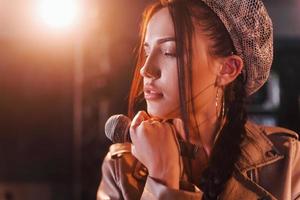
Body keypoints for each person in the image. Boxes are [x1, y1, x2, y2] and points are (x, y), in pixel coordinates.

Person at [97, 0, 300, 199]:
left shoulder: (288, 162)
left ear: (228, 69)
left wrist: (164, 179)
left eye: (170, 52)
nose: (145, 70)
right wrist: (162, 176)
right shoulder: (121, 169)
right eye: (147, 52)